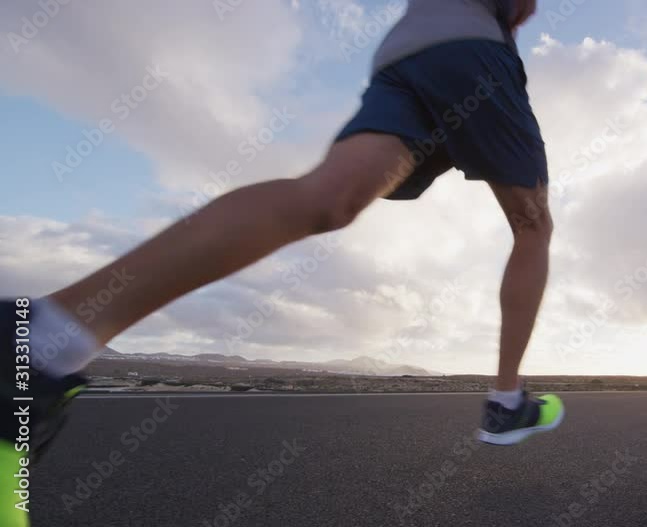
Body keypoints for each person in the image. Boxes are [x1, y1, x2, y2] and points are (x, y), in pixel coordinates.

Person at [2, 1, 563, 523]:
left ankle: (44, 341)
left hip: (407, 50)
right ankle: (507, 401)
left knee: (326, 197)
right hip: (472, 48)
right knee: (533, 224)